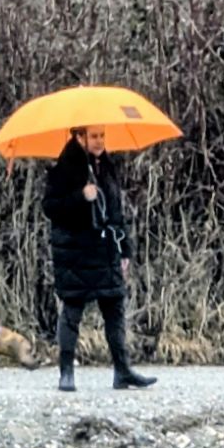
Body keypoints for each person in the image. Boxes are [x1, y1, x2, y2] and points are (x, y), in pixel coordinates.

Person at [43, 126, 157, 392]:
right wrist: (80, 197)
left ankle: (122, 371)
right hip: (76, 252)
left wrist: (125, 250)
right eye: (94, 136)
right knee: (72, 311)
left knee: (115, 309)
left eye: (102, 136)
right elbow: (50, 207)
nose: (99, 141)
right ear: (79, 137)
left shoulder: (106, 167)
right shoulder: (63, 169)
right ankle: (66, 373)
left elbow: (116, 211)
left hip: (106, 249)